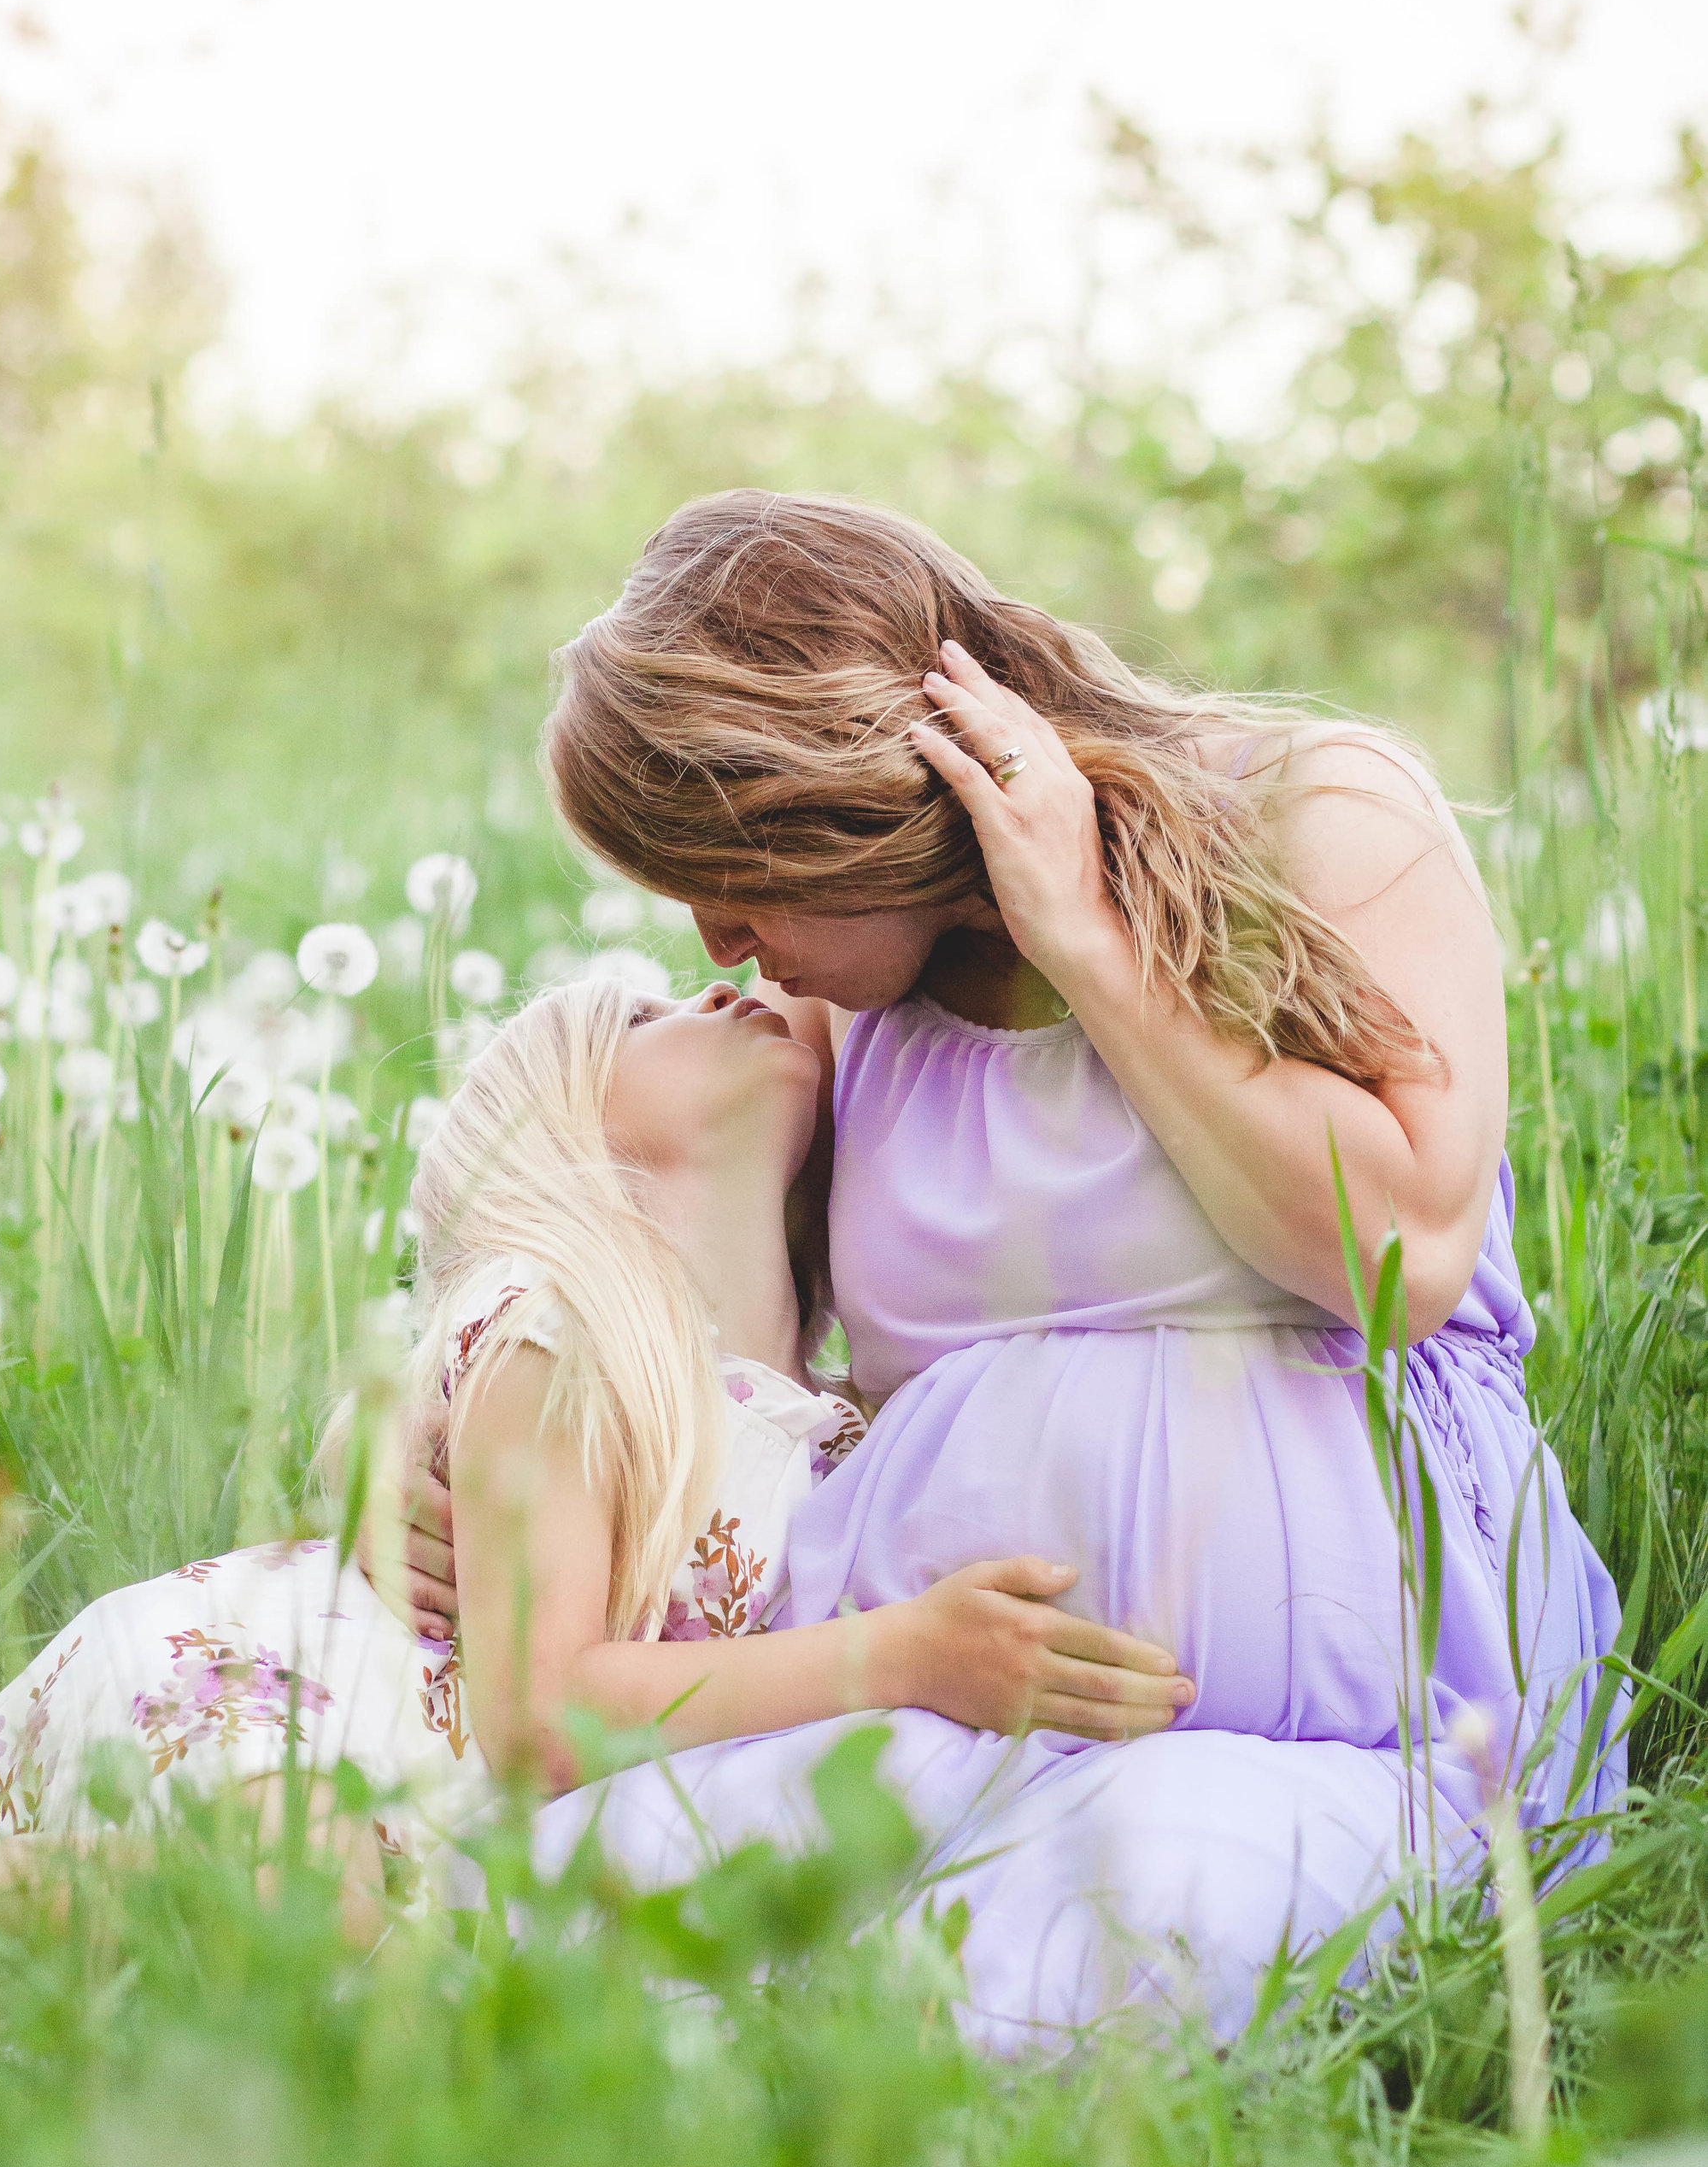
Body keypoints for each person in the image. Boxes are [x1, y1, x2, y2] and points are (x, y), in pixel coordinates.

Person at [510, 487, 1622, 1859]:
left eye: (730, 876)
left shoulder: (1318, 810)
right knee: (577, 1885)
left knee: (1155, 1893)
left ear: (840, 808)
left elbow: (1398, 1261)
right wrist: (434, 1457)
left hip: (1384, 1726)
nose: (717, 941)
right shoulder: (835, 1010)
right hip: (931, 1725)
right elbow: (641, 1333)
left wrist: (1090, 944)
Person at [0, 974, 1192, 1917]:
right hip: (294, 1703)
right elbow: (541, 1713)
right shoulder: (563, 1332)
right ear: (564, 1144)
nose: (723, 983)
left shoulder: (832, 1422)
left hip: (437, 1808)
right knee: (300, 1884)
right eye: (641, 1017)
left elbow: (830, 995)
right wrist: (906, 1658)